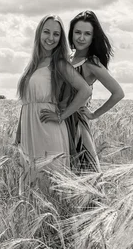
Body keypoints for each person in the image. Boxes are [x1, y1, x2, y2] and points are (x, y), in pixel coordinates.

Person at [15, 14, 91, 187]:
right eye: (46, 32)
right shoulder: (33, 64)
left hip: (48, 129)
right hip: (29, 131)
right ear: (39, 33)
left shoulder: (59, 63)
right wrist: (19, 131)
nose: (50, 38)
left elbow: (85, 90)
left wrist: (61, 116)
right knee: (31, 184)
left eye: (56, 34)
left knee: (49, 182)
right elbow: (26, 102)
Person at [65, 10, 124, 172]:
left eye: (87, 34)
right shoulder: (66, 58)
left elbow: (118, 93)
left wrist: (94, 114)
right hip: (59, 121)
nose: (81, 38)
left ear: (93, 37)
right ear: (71, 34)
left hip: (77, 126)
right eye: (77, 32)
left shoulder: (91, 63)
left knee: (83, 176)